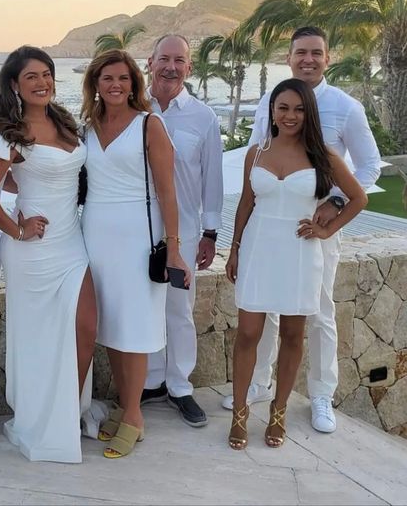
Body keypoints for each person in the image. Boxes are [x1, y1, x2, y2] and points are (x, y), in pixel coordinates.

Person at [222, 26, 381, 434]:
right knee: (260, 325)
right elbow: (252, 188)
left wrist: (333, 207)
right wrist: (234, 246)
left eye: (316, 52)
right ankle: (259, 384)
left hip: (311, 230)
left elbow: (368, 170)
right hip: (263, 237)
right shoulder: (266, 105)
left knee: (317, 315)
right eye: (300, 53)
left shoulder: (346, 108)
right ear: (289, 57)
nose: (307, 58)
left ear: (327, 57)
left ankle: (320, 395)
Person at [0, 45, 97, 463]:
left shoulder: (64, 122)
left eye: (47, 74)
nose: (43, 82)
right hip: (33, 251)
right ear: (14, 86)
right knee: (40, 337)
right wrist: (16, 229)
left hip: (72, 243)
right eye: (32, 77)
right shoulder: (11, 133)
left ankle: (71, 411)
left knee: (84, 327)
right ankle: (45, 420)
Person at [80, 49, 190, 458]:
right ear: (96, 82)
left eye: (123, 79)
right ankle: (127, 408)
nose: (115, 85)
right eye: (107, 78)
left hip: (137, 239)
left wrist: (174, 250)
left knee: (135, 328)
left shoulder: (150, 125)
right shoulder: (88, 127)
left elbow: (167, 192)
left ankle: (134, 416)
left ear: (134, 83)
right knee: (109, 326)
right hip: (95, 236)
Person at [141, 35, 223, 428]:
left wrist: (211, 232)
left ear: (189, 67)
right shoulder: (131, 108)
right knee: (144, 306)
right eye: (164, 59)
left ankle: (180, 385)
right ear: (150, 62)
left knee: (179, 310)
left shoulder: (203, 117)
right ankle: (152, 380)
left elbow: (213, 179)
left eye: (179, 60)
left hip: (186, 232)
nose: (170, 67)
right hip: (137, 229)